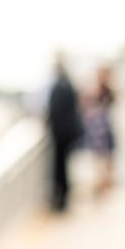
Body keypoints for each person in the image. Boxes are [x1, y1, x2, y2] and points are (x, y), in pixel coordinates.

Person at [45, 56, 83, 212]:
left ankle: (60, 201)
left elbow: (55, 111)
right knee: (64, 166)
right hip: (69, 133)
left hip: (61, 134)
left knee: (59, 167)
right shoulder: (70, 85)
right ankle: (63, 198)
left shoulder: (59, 86)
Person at [82, 65, 116, 196]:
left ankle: (103, 184)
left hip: (102, 130)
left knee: (105, 158)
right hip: (97, 130)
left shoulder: (107, 91)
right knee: (99, 158)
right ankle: (100, 183)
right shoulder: (95, 91)